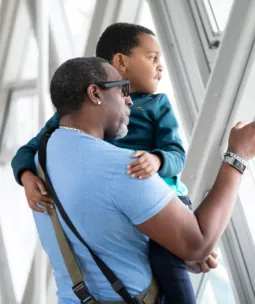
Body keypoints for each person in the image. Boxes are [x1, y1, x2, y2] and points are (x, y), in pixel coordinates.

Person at [12, 23, 214, 303]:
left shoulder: (158, 105)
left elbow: (176, 153)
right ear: (119, 63)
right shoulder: (75, 118)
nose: (160, 67)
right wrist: (25, 176)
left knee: (172, 265)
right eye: (152, 58)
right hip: (133, 207)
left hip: (169, 198)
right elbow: (30, 148)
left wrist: (157, 160)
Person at [31, 56, 255, 303]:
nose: (129, 99)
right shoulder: (124, 166)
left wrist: (174, 246)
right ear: (95, 94)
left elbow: (104, 230)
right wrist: (238, 155)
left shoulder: (42, 157)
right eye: (122, 89)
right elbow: (198, 243)